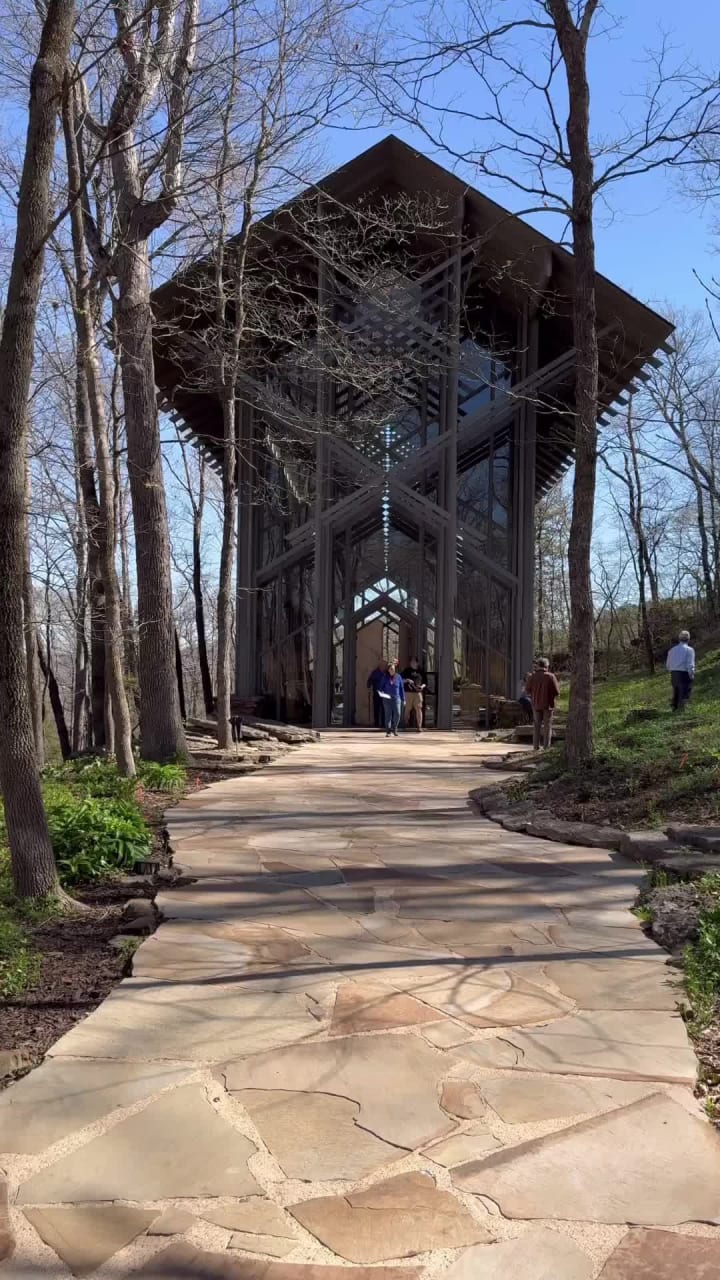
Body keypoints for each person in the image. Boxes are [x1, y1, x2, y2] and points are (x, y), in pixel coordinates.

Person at [525, 657, 560, 751]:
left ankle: (535, 747)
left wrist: (534, 693)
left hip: (536, 704)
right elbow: (557, 692)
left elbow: (527, 690)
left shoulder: (532, 676)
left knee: (536, 725)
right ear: (546, 666)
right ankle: (546, 747)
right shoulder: (550, 676)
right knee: (547, 726)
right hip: (548, 705)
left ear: (538, 666)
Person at [666, 629, 695, 711]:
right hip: (684, 673)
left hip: (673, 673)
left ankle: (674, 708)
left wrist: (672, 671)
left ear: (679, 639)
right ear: (688, 639)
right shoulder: (689, 650)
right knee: (685, 692)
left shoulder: (672, 650)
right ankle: (682, 709)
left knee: (676, 691)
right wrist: (691, 674)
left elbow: (668, 664)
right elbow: (690, 664)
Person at [379, 661, 405, 736]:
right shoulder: (384, 677)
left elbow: (401, 689)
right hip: (387, 699)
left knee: (398, 714)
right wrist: (382, 694)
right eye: (390, 669)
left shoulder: (398, 677)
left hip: (396, 699)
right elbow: (380, 688)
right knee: (388, 715)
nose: (392, 670)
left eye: (393, 669)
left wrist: (403, 699)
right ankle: (388, 731)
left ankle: (395, 728)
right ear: (388, 670)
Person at [402, 656, 427, 731]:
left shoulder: (421, 672)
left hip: (418, 693)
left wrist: (422, 687)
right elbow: (400, 680)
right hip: (408, 693)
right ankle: (405, 724)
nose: (412, 663)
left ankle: (419, 726)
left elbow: (425, 683)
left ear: (417, 663)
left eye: (414, 661)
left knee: (419, 709)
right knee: (407, 709)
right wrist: (407, 680)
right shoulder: (406, 670)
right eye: (411, 662)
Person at [367, 660, 387, 729]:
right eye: (383, 665)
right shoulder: (375, 672)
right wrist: (369, 686)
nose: (384, 667)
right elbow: (370, 680)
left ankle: (384, 723)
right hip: (377, 693)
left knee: (384, 708)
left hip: (384, 693)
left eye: (385, 665)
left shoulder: (386, 672)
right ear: (379, 665)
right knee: (376, 708)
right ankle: (376, 723)